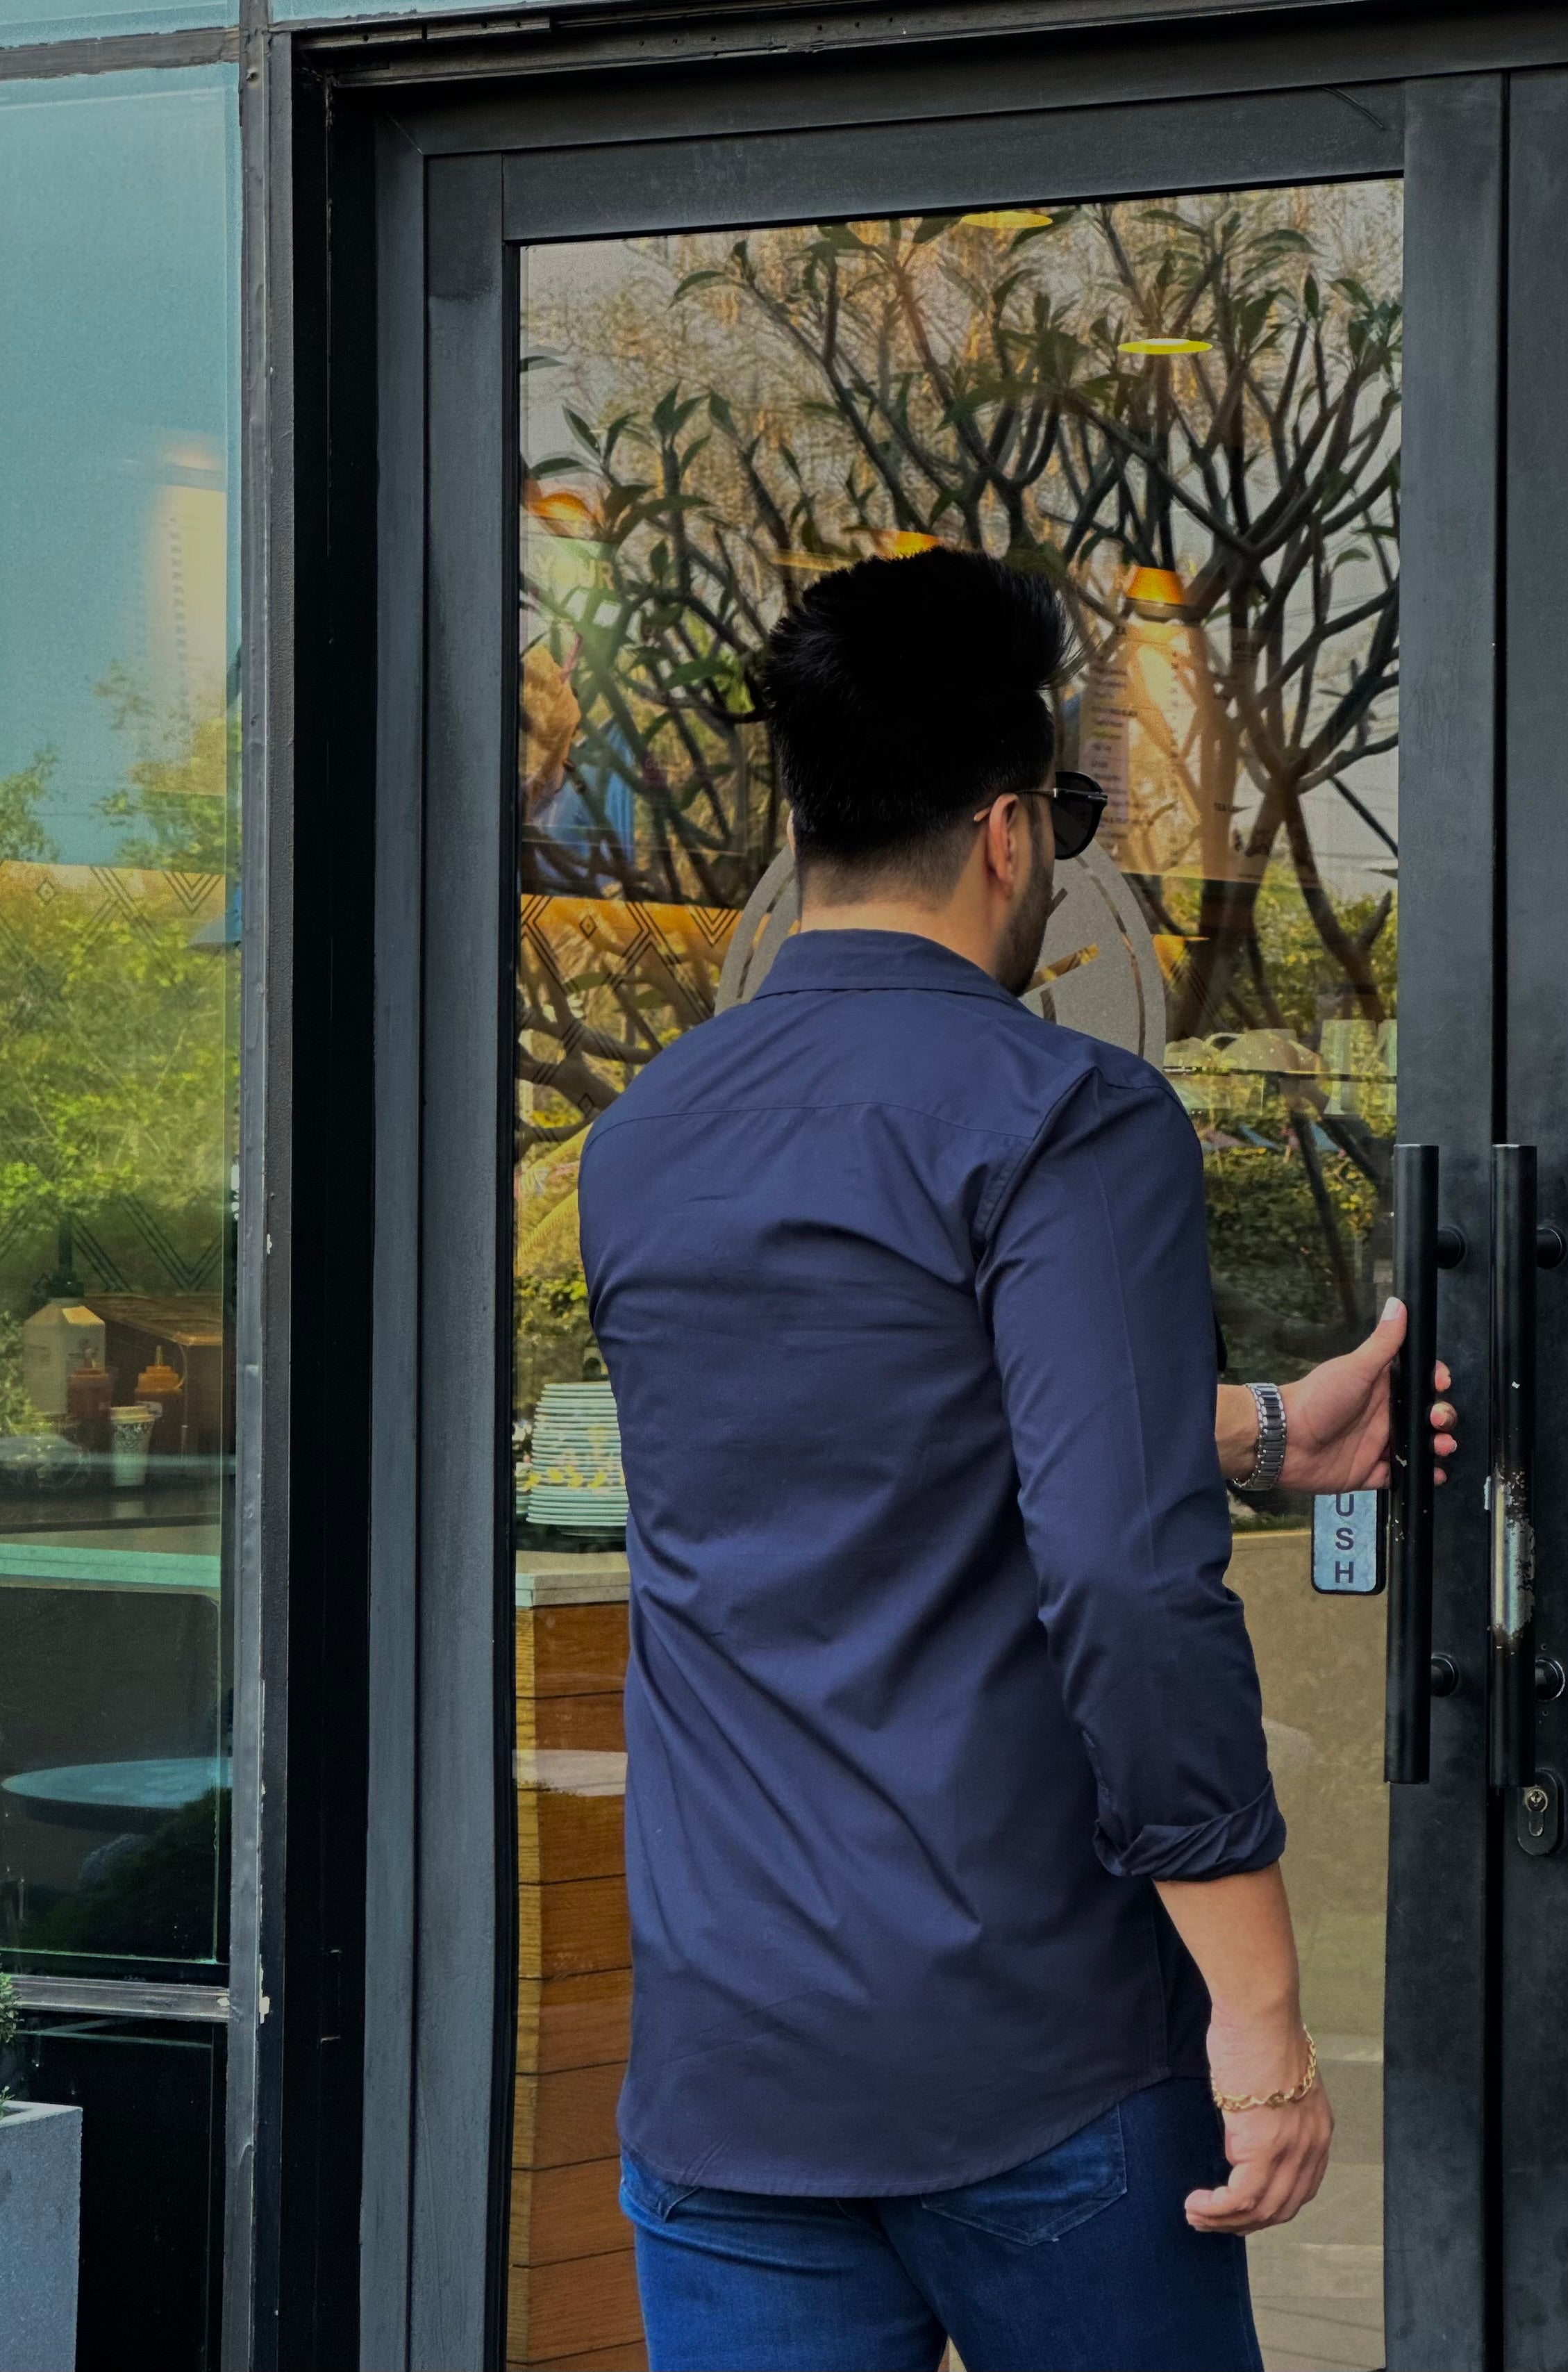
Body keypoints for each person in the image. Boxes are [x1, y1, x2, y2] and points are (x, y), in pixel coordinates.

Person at [580, 548, 1456, 2372]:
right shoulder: (1064, 1115)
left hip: (730, 2069)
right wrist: (1259, 2014)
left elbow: (849, 1442)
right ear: (1006, 835)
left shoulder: (645, 1140)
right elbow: (1126, 1580)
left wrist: (1260, 1430)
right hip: (1031, 2056)